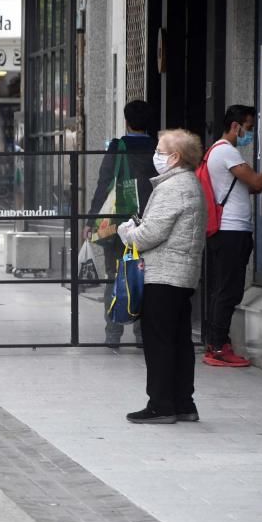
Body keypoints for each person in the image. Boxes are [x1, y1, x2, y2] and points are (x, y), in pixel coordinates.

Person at [117, 130, 207, 423]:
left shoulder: (173, 187)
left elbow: (149, 235)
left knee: (159, 343)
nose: (156, 156)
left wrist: (126, 232)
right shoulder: (189, 183)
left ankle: (161, 405)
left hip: (163, 275)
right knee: (179, 341)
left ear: (175, 157)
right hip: (181, 276)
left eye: (160, 150)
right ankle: (183, 403)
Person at [203, 104, 262, 367]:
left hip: (228, 231)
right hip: (231, 232)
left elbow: (249, 187)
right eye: (250, 128)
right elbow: (255, 182)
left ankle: (217, 343)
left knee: (223, 289)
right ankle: (219, 347)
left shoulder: (217, 152)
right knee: (228, 291)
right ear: (236, 126)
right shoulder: (226, 152)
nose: (250, 134)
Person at [87, 100, 158, 347]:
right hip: (150, 221)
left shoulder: (118, 147)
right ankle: (142, 335)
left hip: (118, 222)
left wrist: (91, 219)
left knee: (114, 275)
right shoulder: (158, 148)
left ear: (126, 121)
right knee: (146, 276)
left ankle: (113, 332)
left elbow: (104, 183)